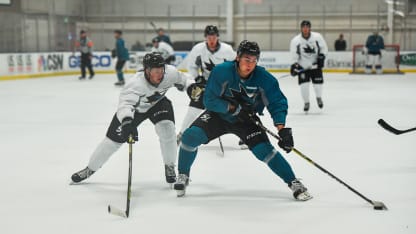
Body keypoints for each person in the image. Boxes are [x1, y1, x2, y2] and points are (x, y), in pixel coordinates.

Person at [174, 40, 312, 201]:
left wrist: (282, 129)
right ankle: (183, 174)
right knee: (190, 137)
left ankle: (293, 182)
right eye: (247, 60)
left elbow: (277, 103)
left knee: (265, 151)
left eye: (254, 60)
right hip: (218, 115)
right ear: (238, 57)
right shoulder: (221, 72)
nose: (250, 64)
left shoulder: (264, 78)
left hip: (246, 120)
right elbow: (209, 100)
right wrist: (232, 108)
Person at [71, 52, 193, 186]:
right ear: (147, 70)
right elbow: (126, 105)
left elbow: (184, 78)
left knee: (167, 131)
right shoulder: (135, 84)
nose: (160, 74)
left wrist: (191, 86)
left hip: (159, 104)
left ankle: (169, 165)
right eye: (155, 71)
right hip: (135, 110)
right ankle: (90, 169)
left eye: (161, 70)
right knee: (112, 142)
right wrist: (127, 122)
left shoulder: (170, 73)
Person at [177, 25, 235, 145]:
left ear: (217, 37)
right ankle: (182, 133)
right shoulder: (198, 49)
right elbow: (191, 66)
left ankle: (244, 137)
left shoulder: (227, 50)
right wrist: (197, 78)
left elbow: (235, 67)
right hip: (205, 83)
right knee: (194, 105)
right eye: (209, 37)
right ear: (205, 37)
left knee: (236, 107)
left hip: (224, 84)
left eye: (213, 36)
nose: (211, 39)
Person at [290, 20, 328, 113]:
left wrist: (322, 57)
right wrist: (294, 65)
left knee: (318, 86)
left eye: (307, 27)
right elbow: (294, 54)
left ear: (310, 28)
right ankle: (306, 102)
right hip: (303, 67)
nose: (305, 29)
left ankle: (319, 97)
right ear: (301, 28)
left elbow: (324, 48)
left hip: (316, 66)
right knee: (304, 86)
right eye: (304, 27)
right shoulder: (296, 41)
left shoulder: (317, 37)